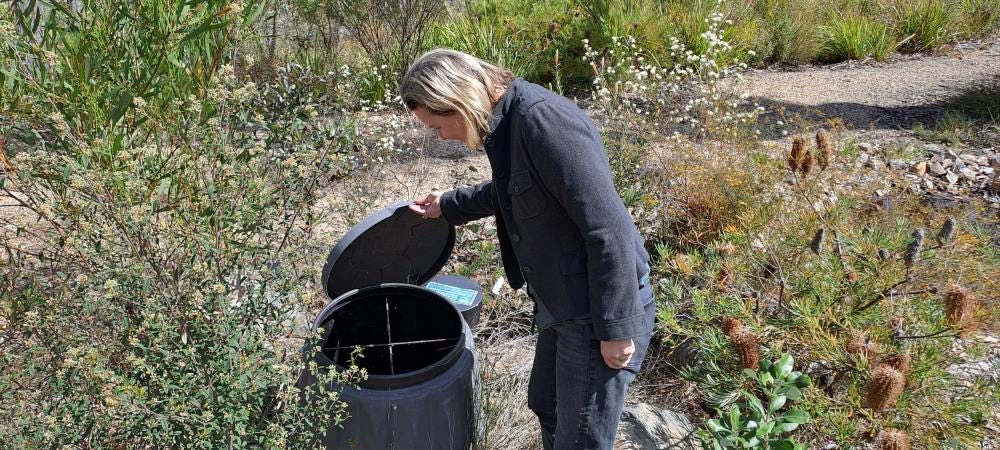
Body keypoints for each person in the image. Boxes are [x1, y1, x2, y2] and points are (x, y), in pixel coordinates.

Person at [400, 49, 654, 450]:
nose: (440, 137)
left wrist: (617, 330)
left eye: (436, 125)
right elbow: (513, 191)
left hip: (596, 309)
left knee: (581, 438)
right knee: (547, 404)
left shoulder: (542, 121)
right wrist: (447, 204)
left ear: (457, 99)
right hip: (563, 302)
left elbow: (610, 230)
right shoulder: (507, 125)